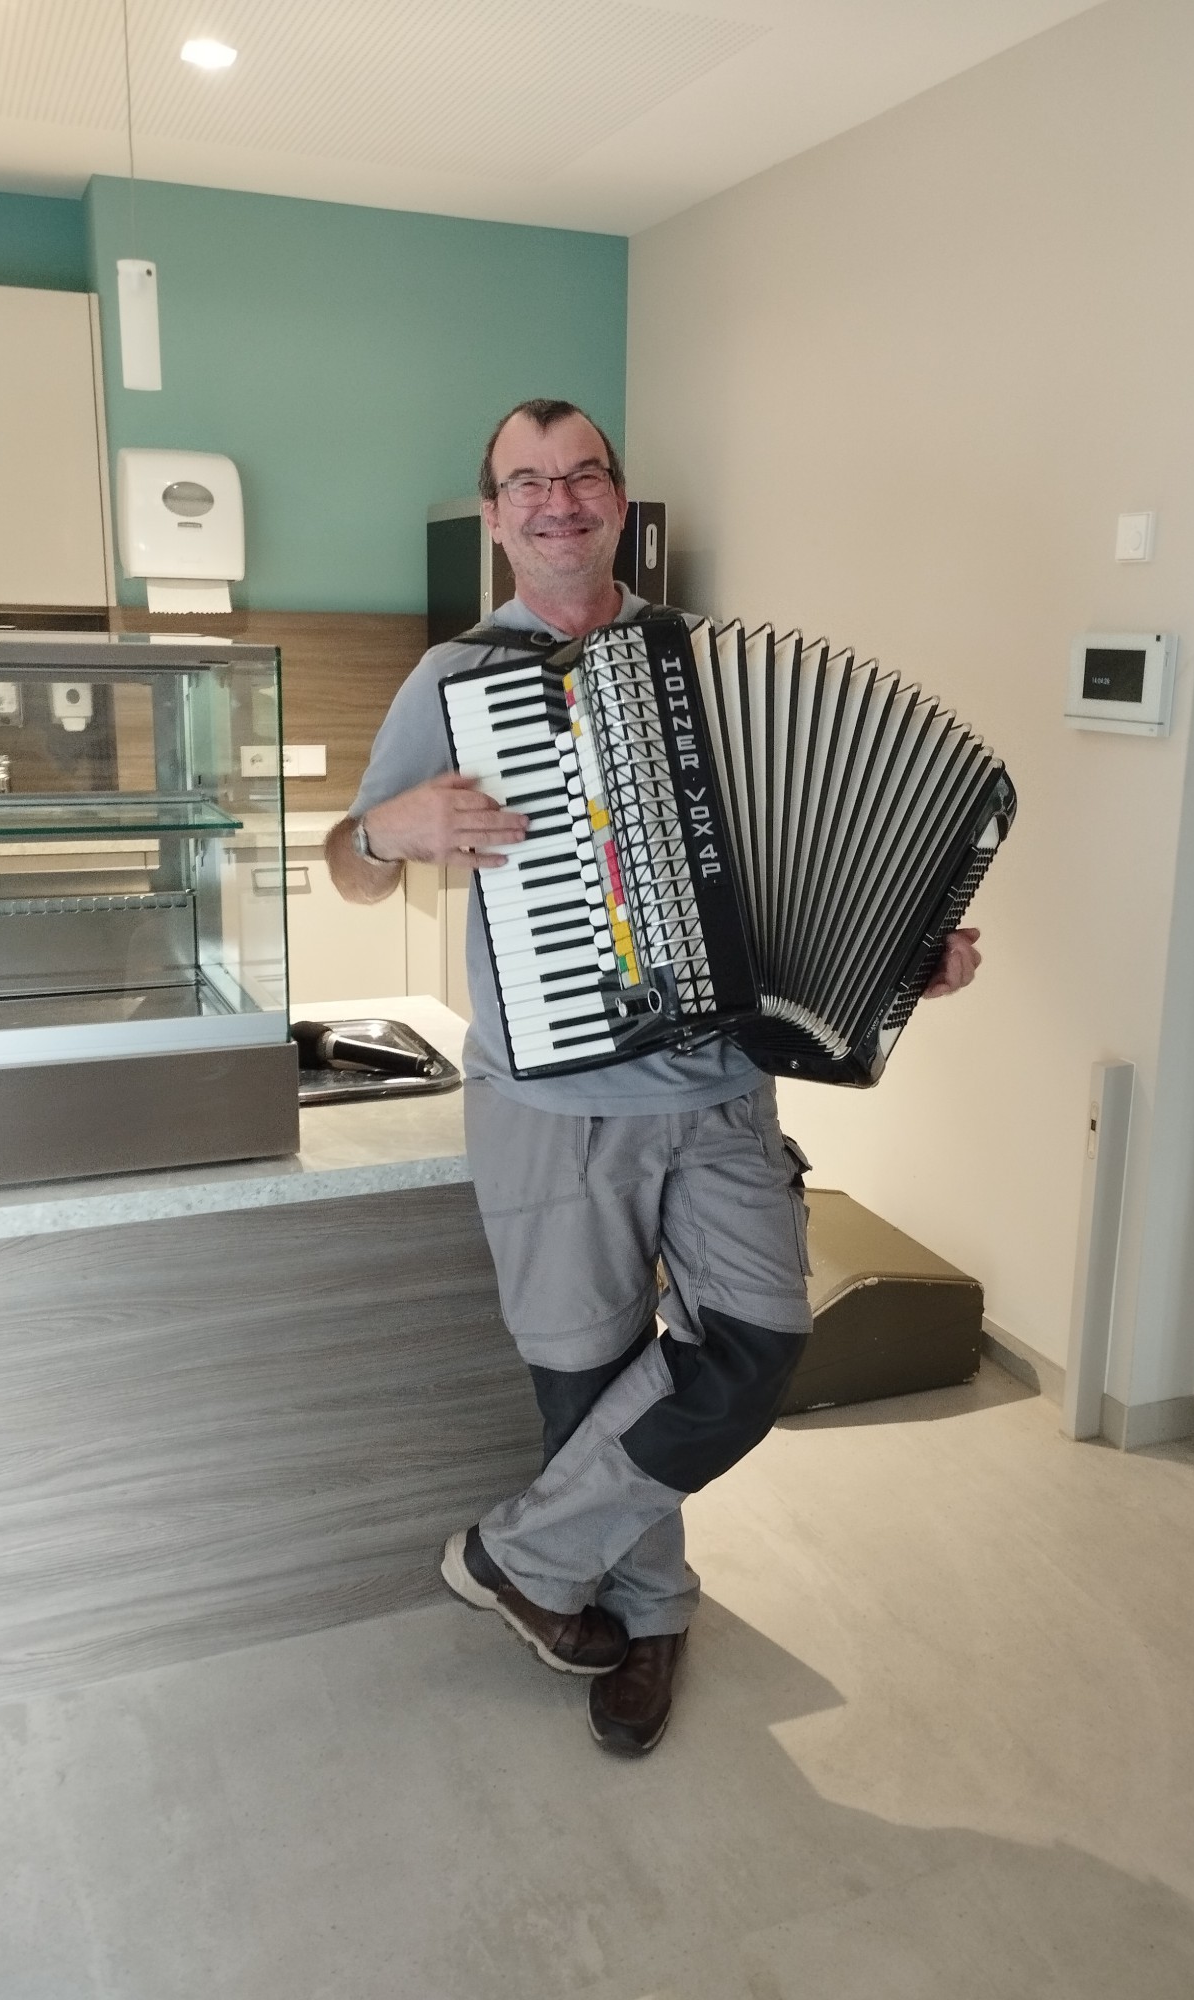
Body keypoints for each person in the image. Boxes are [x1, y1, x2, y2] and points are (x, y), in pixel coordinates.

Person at [326, 398, 981, 1755]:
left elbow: (788, 868)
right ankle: (651, 1613)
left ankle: (518, 1558)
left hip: (721, 1092)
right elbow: (349, 865)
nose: (557, 501)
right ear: (496, 514)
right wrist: (384, 830)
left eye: (582, 476)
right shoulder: (452, 677)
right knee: (590, 1374)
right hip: (552, 1105)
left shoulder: (699, 666)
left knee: (753, 1351)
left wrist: (902, 947)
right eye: (527, 482)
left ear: (616, 500)